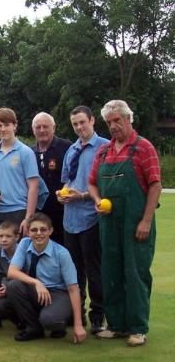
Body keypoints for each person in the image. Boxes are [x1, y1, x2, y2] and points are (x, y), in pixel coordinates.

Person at [88, 100, 162, 347]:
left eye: (117, 120)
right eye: (109, 123)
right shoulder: (103, 152)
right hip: (108, 224)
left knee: (135, 274)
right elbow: (92, 183)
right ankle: (116, 325)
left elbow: (155, 185)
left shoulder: (144, 148)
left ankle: (138, 328)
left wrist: (146, 221)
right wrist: (98, 200)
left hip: (136, 223)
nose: (113, 126)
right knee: (110, 273)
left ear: (128, 119)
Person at [57, 105, 109, 334]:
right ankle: (76, 314)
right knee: (74, 271)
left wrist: (83, 196)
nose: (79, 127)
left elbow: (105, 186)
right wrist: (64, 193)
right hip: (70, 220)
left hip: (92, 219)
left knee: (94, 270)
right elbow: (68, 181)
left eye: (82, 122)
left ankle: (97, 316)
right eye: (75, 124)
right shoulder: (72, 150)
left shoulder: (105, 148)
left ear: (92, 120)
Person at [6, 213, 87, 343]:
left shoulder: (62, 253)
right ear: (28, 231)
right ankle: (34, 328)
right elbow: (12, 272)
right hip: (37, 290)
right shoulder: (24, 243)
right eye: (34, 230)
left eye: (43, 229)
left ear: (51, 231)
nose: (39, 233)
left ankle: (59, 322)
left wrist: (78, 326)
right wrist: (37, 282)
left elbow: (73, 288)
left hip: (59, 293)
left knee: (50, 320)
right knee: (13, 286)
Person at [0, 107, 41, 256]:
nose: (3, 129)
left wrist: (28, 218)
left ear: (15, 125)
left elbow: (33, 186)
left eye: (6, 125)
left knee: (19, 261)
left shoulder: (25, 152)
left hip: (18, 212)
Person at [31, 112, 71, 245]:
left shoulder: (67, 148)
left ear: (53, 128)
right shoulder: (29, 153)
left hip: (62, 212)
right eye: (38, 127)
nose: (42, 130)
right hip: (38, 214)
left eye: (45, 126)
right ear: (33, 130)